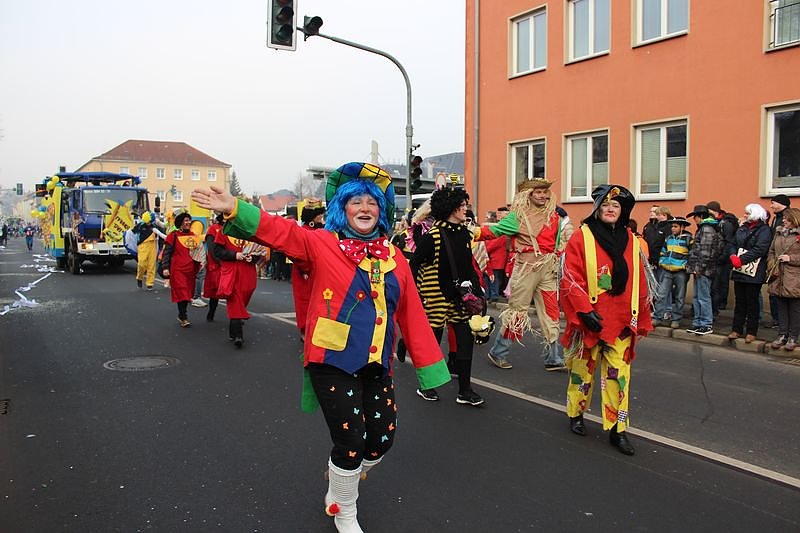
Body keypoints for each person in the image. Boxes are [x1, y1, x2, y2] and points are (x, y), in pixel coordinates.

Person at [191, 162, 449, 532]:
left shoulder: (395, 258)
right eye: (355, 201)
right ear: (342, 208)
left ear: (382, 211)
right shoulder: (321, 243)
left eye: (372, 202)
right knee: (351, 440)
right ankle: (343, 508)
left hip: (377, 362)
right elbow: (280, 231)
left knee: (381, 440)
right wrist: (235, 208)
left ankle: (344, 475)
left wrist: (429, 367)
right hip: (331, 360)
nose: (364, 208)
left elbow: (412, 314)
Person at [560, 184, 652, 456]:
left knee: (619, 377)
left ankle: (617, 430)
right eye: (605, 205)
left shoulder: (632, 240)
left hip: (620, 321)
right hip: (589, 320)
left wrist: (641, 313)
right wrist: (583, 310)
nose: (610, 209)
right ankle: (576, 413)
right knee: (582, 372)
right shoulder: (582, 236)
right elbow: (570, 275)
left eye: (616, 206)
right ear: (597, 209)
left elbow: (640, 279)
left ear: (623, 211)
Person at [477, 178, 573, 371]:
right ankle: (498, 352)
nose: (543, 196)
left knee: (551, 313)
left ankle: (553, 358)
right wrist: (469, 232)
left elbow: (561, 242)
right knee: (518, 312)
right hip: (526, 269)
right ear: (528, 195)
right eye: (538, 192)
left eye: (545, 192)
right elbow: (494, 231)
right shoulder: (518, 217)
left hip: (548, 268)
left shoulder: (554, 216)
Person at [410, 187, 486, 406]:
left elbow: (468, 267)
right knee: (432, 342)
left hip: (460, 297)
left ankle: (465, 390)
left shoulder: (464, 234)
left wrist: (478, 293)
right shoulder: (433, 236)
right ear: (451, 209)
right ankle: (427, 386)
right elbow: (413, 265)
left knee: (465, 342)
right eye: (462, 206)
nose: (465, 209)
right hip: (435, 296)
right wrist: (416, 295)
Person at [727, 203, 772, 343]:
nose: (745, 215)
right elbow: (732, 243)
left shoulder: (764, 230)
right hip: (740, 270)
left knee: (752, 302)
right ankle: (736, 329)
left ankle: (752, 331)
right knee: (740, 301)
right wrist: (732, 255)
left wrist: (741, 259)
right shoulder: (742, 228)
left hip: (754, 271)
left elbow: (760, 249)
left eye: (747, 213)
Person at [213, 226, 259, 348]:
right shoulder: (224, 231)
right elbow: (217, 251)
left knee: (242, 300)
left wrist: (253, 258)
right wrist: (234, 255)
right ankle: (239, 335)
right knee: (235, 301)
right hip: (231, 272)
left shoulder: (250, 230)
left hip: (248, 273)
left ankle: (233, 328)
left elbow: (259, 251)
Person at [291, 199, 326, 341]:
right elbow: (296, 253)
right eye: (319, 215)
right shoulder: (302, 231)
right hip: (304, 272)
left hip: (320, 271)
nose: (321, 217)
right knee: (304, 301)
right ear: (312, 217)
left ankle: (318, 328)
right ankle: (304, 329)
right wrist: (304, 270)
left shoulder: (323, 230)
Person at [686, 205, 723, 335]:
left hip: (704, 270)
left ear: (700, 216)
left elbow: (705, 252)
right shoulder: (705, 228)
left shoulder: (706, 229)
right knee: (697, 297)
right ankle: (698, 322)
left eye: (695, 217)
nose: (694, 220)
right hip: (701, 269)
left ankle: (706, 323)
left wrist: (698, 268)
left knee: (703, 297)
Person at [767, 207, 800, 351]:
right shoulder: (779, 233)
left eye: (786, 218)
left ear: (794, 219)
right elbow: (771, 251)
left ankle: (793, 337)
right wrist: (771, 264)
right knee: (781, 307)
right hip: (779, 275)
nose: (784, 220)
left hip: (795, 277)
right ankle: (782, 334)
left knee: (794, 309)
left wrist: (790, 258)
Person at [161, 212, 201, 327]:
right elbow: (166, 253)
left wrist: (202, 262)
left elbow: (198, 252)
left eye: (189, 220)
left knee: (187, 294)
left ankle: (182, 314)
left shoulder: (193, 236)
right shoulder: (173, 235)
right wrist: (165, 267)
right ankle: (183, 316)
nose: (188, 222)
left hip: (190, 270)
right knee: (182, 292)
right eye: (186, 220)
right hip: (178, 270)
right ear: (180, 223)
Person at [653, 217, 693, 328]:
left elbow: (692, 254)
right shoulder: (668, 238)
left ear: (682, 227)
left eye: (675, 226)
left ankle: (676, 319)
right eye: (672, 226)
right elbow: (663, 251)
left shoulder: (688, 239)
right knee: (661, 294)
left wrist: (686, 266)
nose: (673, 229)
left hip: (681, 272)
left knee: (679, 296)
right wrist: (662, 261)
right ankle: (657, 317)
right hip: (667, 270)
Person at [706, 201, 739, 316]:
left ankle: (721, 304)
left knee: (721, 281)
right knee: (716, 282)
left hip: (723, 258)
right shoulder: (716, 222)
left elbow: (728, 241)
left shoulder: (725, 223)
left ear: (714, 211)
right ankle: (717, 304)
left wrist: (722, 257)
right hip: (717, 257)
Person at [203, 213, 224, 321]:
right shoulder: (213, 229)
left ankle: (236, 317)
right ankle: (211, 312)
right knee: (214, 292)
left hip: (228, 264)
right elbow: (211, 248)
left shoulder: (232, 229)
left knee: (233, 291)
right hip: (215, 265)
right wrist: (218, 260)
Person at [132, 211, 158, 290]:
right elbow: (132, 233)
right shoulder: (140, 225)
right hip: (142, 246)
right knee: (142, 263)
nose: (150, 223)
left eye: (151, 222)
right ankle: (139, 277)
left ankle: (150, 283)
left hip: (152, 245)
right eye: (149, 221)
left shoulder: (154, 226)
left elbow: (160, 235)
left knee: (151, 265)